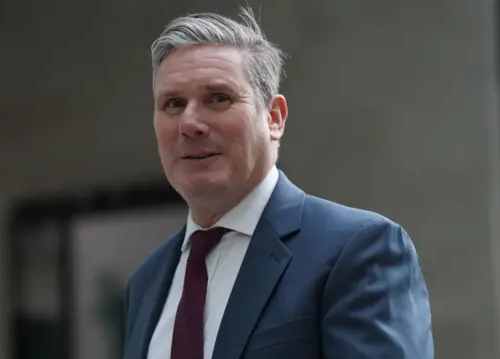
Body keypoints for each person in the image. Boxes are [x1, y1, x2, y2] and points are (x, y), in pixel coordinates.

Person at [122, 6, 434, 359]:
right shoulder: (146, 283)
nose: (190, 123)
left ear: (274, 118)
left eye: (218, 98)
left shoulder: (357, 250)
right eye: (173, 103)